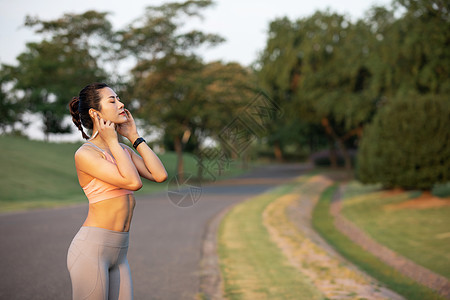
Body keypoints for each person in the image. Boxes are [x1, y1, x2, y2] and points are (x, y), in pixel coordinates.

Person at [67, 82, 167, 300]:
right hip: (91, 251)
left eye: (119, 98)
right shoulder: (86, 154)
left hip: (120, 253)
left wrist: (134, 137)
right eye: (112, 100)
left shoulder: (122, 150)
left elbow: (159, 175)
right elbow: (133, 182)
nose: (121, 104)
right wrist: (113, 141)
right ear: (95, 113)